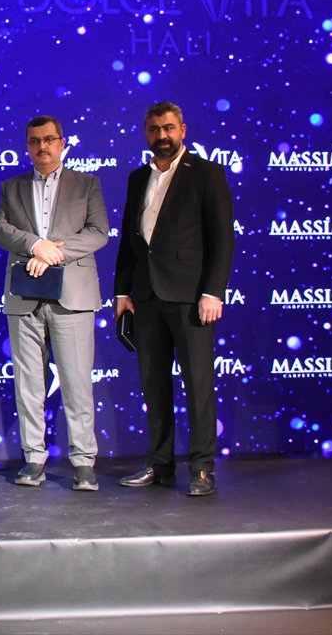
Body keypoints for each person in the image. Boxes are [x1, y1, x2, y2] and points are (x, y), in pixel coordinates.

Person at [114, 102, 234, 497]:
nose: (162, 135)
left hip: (191, 297)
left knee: (197, 385)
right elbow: (130, 241)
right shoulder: (137, 178)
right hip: (146, 296)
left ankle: (202, 469)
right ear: (146, 133)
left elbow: (222, 238)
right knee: (154, 385)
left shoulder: (206, 173)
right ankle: (160, 464)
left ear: (182, 130)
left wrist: (213, 291)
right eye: (154, 129)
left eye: (168, 128)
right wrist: (122, 292)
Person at [0, 115, 109, 491]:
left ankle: (83, 461)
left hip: (72, 296)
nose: (42, 146)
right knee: (29, 383)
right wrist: (34, 245)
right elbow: (0, 229)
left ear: (62, 143)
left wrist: (53, 252)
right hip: (24, 295)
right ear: (27, 146)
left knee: (76, 382)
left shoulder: (87, 184)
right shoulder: (11, 187)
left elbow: (99, 232)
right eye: (34, 141)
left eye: (49, 139)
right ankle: (34, 458)